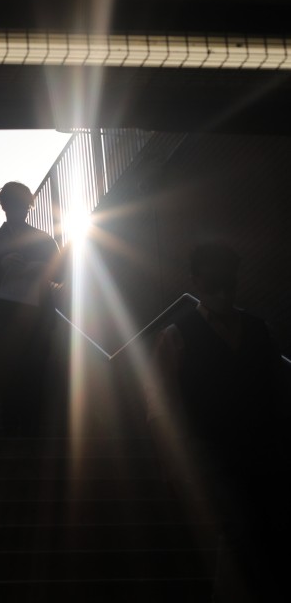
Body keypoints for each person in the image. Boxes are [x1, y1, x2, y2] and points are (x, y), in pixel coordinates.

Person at [147, 241, 289, 602]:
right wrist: (170, 464)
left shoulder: (259, 331)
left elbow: (277, 389)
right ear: (195, 281)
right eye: (214, 283)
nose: (223, 290)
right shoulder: (176, 336)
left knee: (256, 531)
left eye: (228, 281)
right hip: (212, 453)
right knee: (241, 530)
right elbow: (162, 407)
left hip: (262, 450)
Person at [0, 181, 62, 434]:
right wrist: (1, 264)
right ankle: (16, 425)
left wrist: (43, 267)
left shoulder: (40, 240)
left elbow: (62, 271)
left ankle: (28, 426)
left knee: (34, 368)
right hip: (8, 317)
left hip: (34, 315)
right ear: (5, 207)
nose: (20, 211)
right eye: (15, 206)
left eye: (23, 207)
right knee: (12, 369)